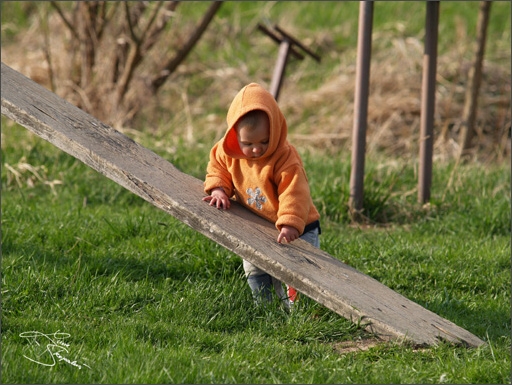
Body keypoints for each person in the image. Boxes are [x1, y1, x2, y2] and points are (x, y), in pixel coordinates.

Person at [202, 83, 320, 308]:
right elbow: (217, 168)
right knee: (255, 267)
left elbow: (294, 192)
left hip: (297, 228)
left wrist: (290, 223)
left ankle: (300, 313)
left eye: (264, 141)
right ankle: (267, 309)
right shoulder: (226, 151)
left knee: (297, 272)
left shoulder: (284, 157)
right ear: (235, 136)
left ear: (275, 131)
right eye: (248, 143)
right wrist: (219, 189)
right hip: (257, 224)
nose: (256, 149)